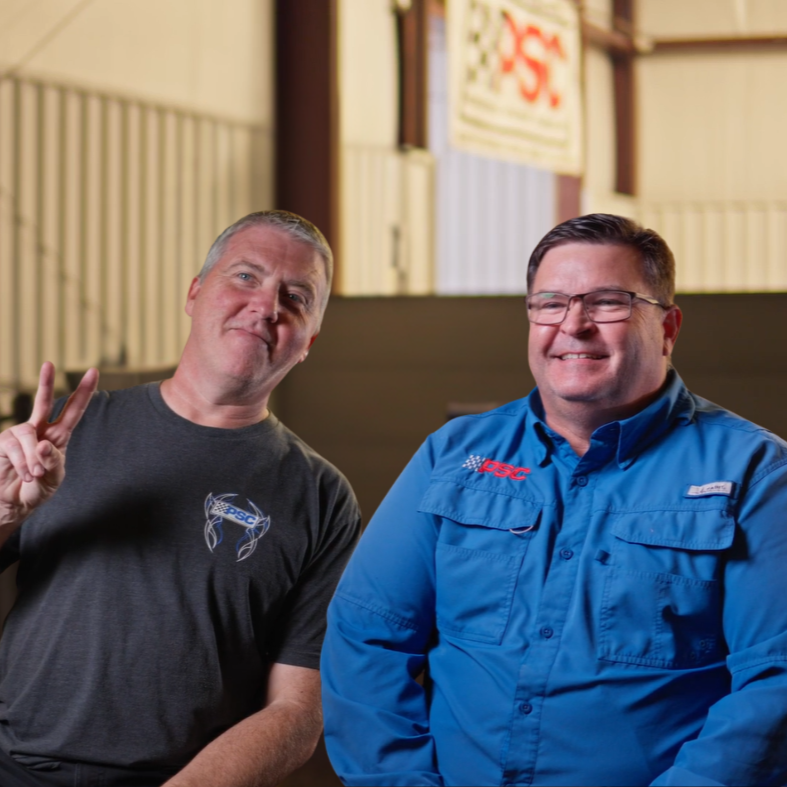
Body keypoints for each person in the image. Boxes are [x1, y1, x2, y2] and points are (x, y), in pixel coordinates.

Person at [321, 213, 787, 786]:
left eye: (608, 302)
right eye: (550, 303)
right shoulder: (453, 455)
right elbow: (367, 633)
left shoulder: (753, 472)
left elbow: (775, 681)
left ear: (668, 328)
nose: (574, 324)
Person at [0, 210, 361, 787]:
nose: (267, 306)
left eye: (296, 296)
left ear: (309, 340)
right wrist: (4, 512)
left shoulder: (320, 497)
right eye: (246, 277)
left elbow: (297, 711)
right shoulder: (68, 434)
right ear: (195, 293)